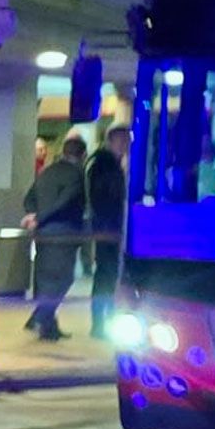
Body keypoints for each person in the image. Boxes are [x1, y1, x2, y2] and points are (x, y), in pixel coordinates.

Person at [23, 136, 88, 341]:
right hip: (64, 233)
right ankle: (42, 319)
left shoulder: (48, 172)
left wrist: (34, 216)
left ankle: (46, 323)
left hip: (42, 234)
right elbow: (65, 201)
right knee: (64, 278)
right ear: (82, 155)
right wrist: (41, 218)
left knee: (46, 278)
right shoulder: (77, 174)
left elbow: (29, 198)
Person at [87, 126, 131, 340]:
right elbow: (106, 197)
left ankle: (101, 321)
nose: (126, 145)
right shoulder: (106, 165)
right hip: (108, 228)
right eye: (122, 140)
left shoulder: (105, 164)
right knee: (106, 273)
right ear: (112, 141)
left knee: (106, 274)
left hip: (108, 227)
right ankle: (100, 322)